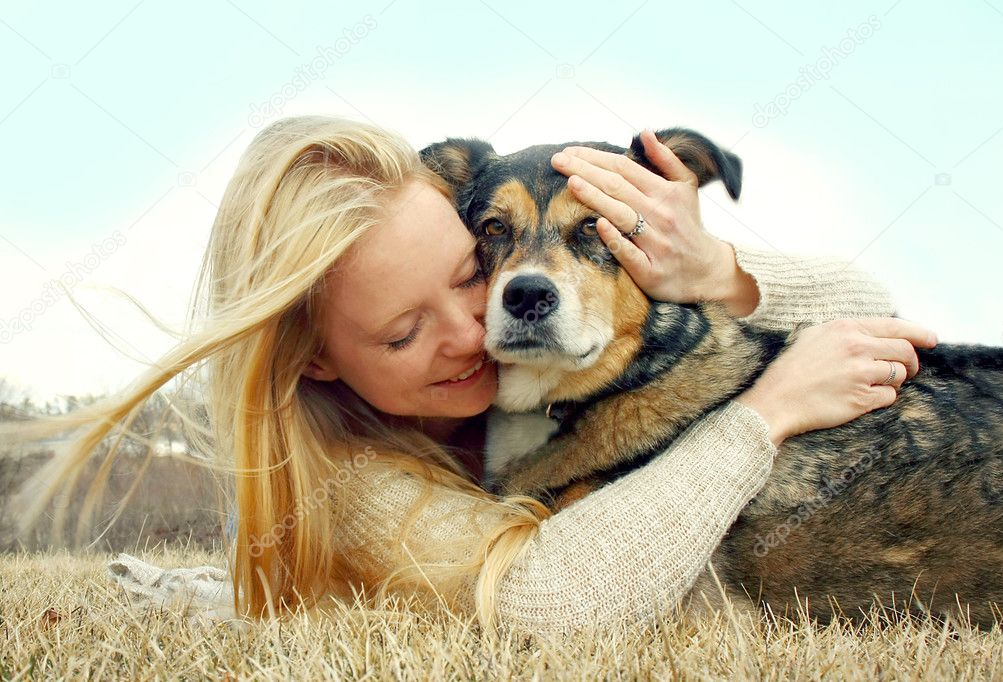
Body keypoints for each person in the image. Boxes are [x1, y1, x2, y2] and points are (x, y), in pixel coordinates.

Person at [5, 116, 937, 635]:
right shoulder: (360, 482)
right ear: (317, 359)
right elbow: (560, 604)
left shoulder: (530, 343)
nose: (473, 331)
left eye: (467, 272)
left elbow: (870, 300)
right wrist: (763, 414)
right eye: (406, 332)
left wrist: (712, 272)